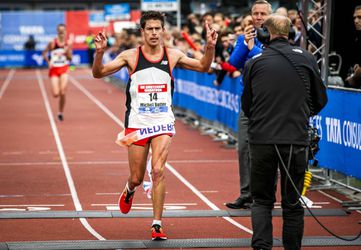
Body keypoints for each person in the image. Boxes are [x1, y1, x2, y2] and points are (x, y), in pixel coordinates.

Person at [92, 11, 217, 240]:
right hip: (137, 123)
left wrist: (210, 47)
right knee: (137, 177)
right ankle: (130, 189)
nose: (154, 33)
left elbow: (203, 67)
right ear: (142, 32)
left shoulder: (172, 55)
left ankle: (157, 223)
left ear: (163, 31)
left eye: (157, 28)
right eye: (149, 28)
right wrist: (99, 53)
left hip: (163, 122)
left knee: (158, 170)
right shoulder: (130, 56)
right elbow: (98, 73)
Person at [241, 14, 328, 250]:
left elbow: (246, 106)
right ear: (289, 33)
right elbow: (321, 100)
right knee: (292, 203)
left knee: (262, 201)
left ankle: (261, 247)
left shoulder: (254, 62)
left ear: (265, 34)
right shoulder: (307, 58)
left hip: (262, 141)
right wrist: (300, 114)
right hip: (294, 140)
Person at [226, 0, 272, 209]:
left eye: (263, 13)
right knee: (243, 148)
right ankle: (246, 193)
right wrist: (245, 44)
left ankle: (264, 194)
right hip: (248, 102)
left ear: (269, 16)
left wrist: (253, 49)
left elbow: (266, 63)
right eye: (256, 13)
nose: (259, 17)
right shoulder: (244, 38)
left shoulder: (276, 37)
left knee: (266, 151)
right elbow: (233, 63)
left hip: (270, 104)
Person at [42, 24, 72, 121]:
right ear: (57, 32)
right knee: (55, 94)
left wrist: (67, 52)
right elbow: (44, 53)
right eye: (59, 31)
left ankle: (60, 112)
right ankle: (59, 108)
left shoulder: (68, 43)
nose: (61, 33)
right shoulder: (52, 43)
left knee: (63, 92)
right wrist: (48, 62)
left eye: (63, 31)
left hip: (64, 68)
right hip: (54, 69)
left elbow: (70, 58)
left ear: (65, 31)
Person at [345, 5, 361, 88]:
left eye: (360, 17)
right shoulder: (356, 38)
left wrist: (353, 79)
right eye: (354, 18)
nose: (356, 21)